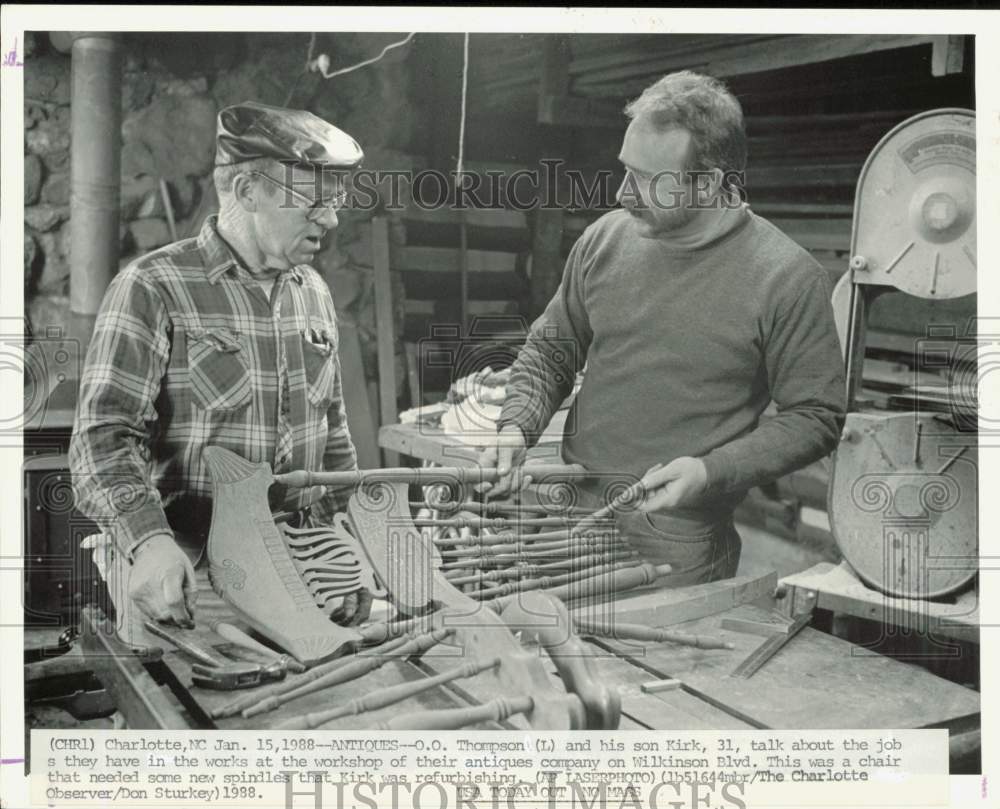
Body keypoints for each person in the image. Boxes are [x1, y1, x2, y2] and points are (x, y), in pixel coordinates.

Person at [484, 71, 846, 586]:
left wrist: (709, 471)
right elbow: (551, 351)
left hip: (677, 543)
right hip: (567, 517)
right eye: (625, 170)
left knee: (652, 668)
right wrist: (516, 426)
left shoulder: (786, 278)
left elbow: (816, 416)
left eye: (648, 179)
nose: (623, 193)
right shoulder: (604, 240)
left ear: (712, 182)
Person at [70, 101, 370, 637]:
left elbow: (335, 435)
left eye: (336, 200)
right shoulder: (152, 286)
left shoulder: (313, 293)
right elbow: (102, 440)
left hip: (303, 571)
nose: (331, 217)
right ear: (249, 190)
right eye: (314, 200)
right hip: (190, 573)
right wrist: (148, 541)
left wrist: (348, 543)